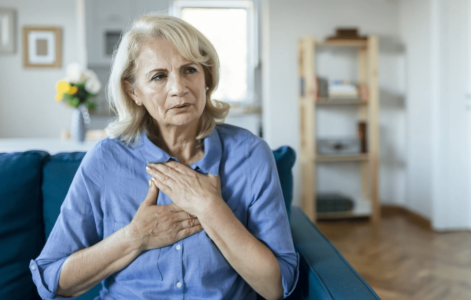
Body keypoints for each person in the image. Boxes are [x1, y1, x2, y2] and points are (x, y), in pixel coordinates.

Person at [29, 12, 299, 300]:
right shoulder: (106, 159)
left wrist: (210, 207)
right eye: (159, 76)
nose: (179, 88)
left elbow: (276, 287)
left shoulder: (250, 154)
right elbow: (52, 281)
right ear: (133, 91)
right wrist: (135, 237)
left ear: (206, 76)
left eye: (190, 70)